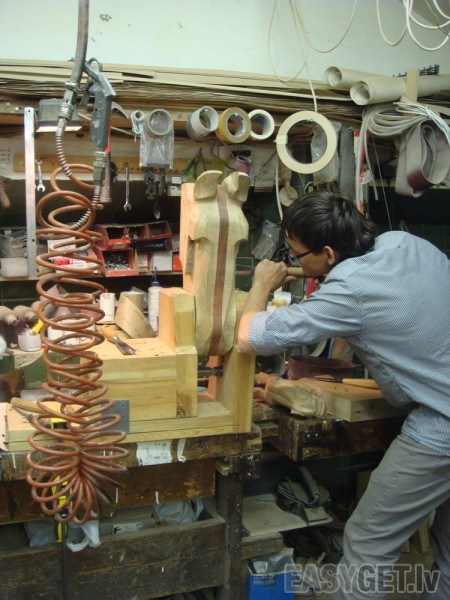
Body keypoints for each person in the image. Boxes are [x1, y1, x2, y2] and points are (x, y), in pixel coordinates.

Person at [238, 190, 450, 600]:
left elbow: (251, 337)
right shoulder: (404, 243)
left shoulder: (350, 289)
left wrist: (261, 284)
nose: (295, 260)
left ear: (329, 253)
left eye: (298, 254)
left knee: (369, 539)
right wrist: (311, 278)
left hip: (442, 423)